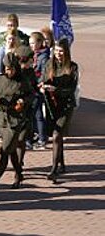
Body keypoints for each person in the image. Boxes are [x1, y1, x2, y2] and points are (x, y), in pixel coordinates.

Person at [0, 53, 33, 197]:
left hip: (15, 120)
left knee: (5, 150)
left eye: (11, 69)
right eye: (6, 69)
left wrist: (23, 102)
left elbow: (31, 95)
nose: (9, 72)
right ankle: (19, 174)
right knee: (11, 150)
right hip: (2, 119)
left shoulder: (22, 81)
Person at [40, 38, 79, 182]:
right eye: (56, 51)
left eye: (61, 51)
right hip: (52, 105)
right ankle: (62, 163)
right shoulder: (49, 64)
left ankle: (54, 169)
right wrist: (43, 87)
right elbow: (43, 80)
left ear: (66, 52)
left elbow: (71, 89)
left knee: (57, 134)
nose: (58, 54)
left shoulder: (73, 67)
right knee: (56, 135)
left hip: (66, 105)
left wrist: (56, 90)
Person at [14, 45, 37, 165]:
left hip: (25, 110)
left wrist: (26, 100)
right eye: (30, 61)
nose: (32, 63)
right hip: (12, 110)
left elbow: (33, 91)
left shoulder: (30, 72)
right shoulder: (13, 71)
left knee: (21, 139)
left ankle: (19, 163)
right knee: (13, 140)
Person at [29, 32, 50, 150]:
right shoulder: (35, 54)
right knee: (35, 114)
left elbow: (44, 72)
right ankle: (39, 135)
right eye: (30, 43)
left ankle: (42, 138)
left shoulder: (44, 56)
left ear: (39, 43)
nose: (31, 45)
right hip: (33, 87)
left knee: (37, 114)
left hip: (38, 88)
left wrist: (39, 82)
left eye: (33, 43)